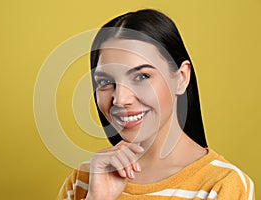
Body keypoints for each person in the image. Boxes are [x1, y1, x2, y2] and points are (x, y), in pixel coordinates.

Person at [57, 9, 254, 199]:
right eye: (105, 82)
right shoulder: (84, 180)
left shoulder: (222, 185)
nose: (120, 99)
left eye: (141, 76)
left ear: (181, 77)